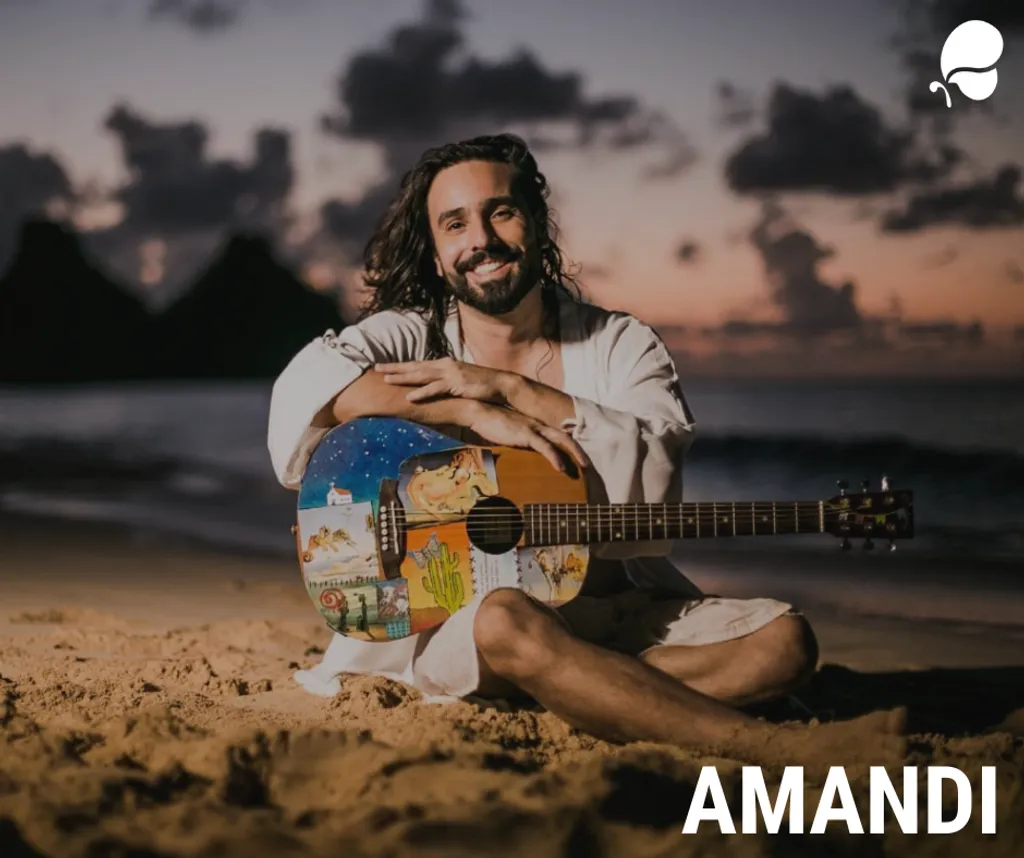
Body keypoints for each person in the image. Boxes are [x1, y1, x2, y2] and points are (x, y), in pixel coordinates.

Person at [267, 134, 905, 763]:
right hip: (464, 626)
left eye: (502, 212)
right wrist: (471, 410)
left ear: (538, 227)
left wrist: (513, 389)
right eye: (455, 224)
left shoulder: (620, 343)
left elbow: (657, 463)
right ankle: (767, 746)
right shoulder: (411, 336)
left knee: (785, 642)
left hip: (619, 610)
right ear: (437, 256)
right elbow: (315, 385)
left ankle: (586, 686)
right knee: (506, 619)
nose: (481, 240)